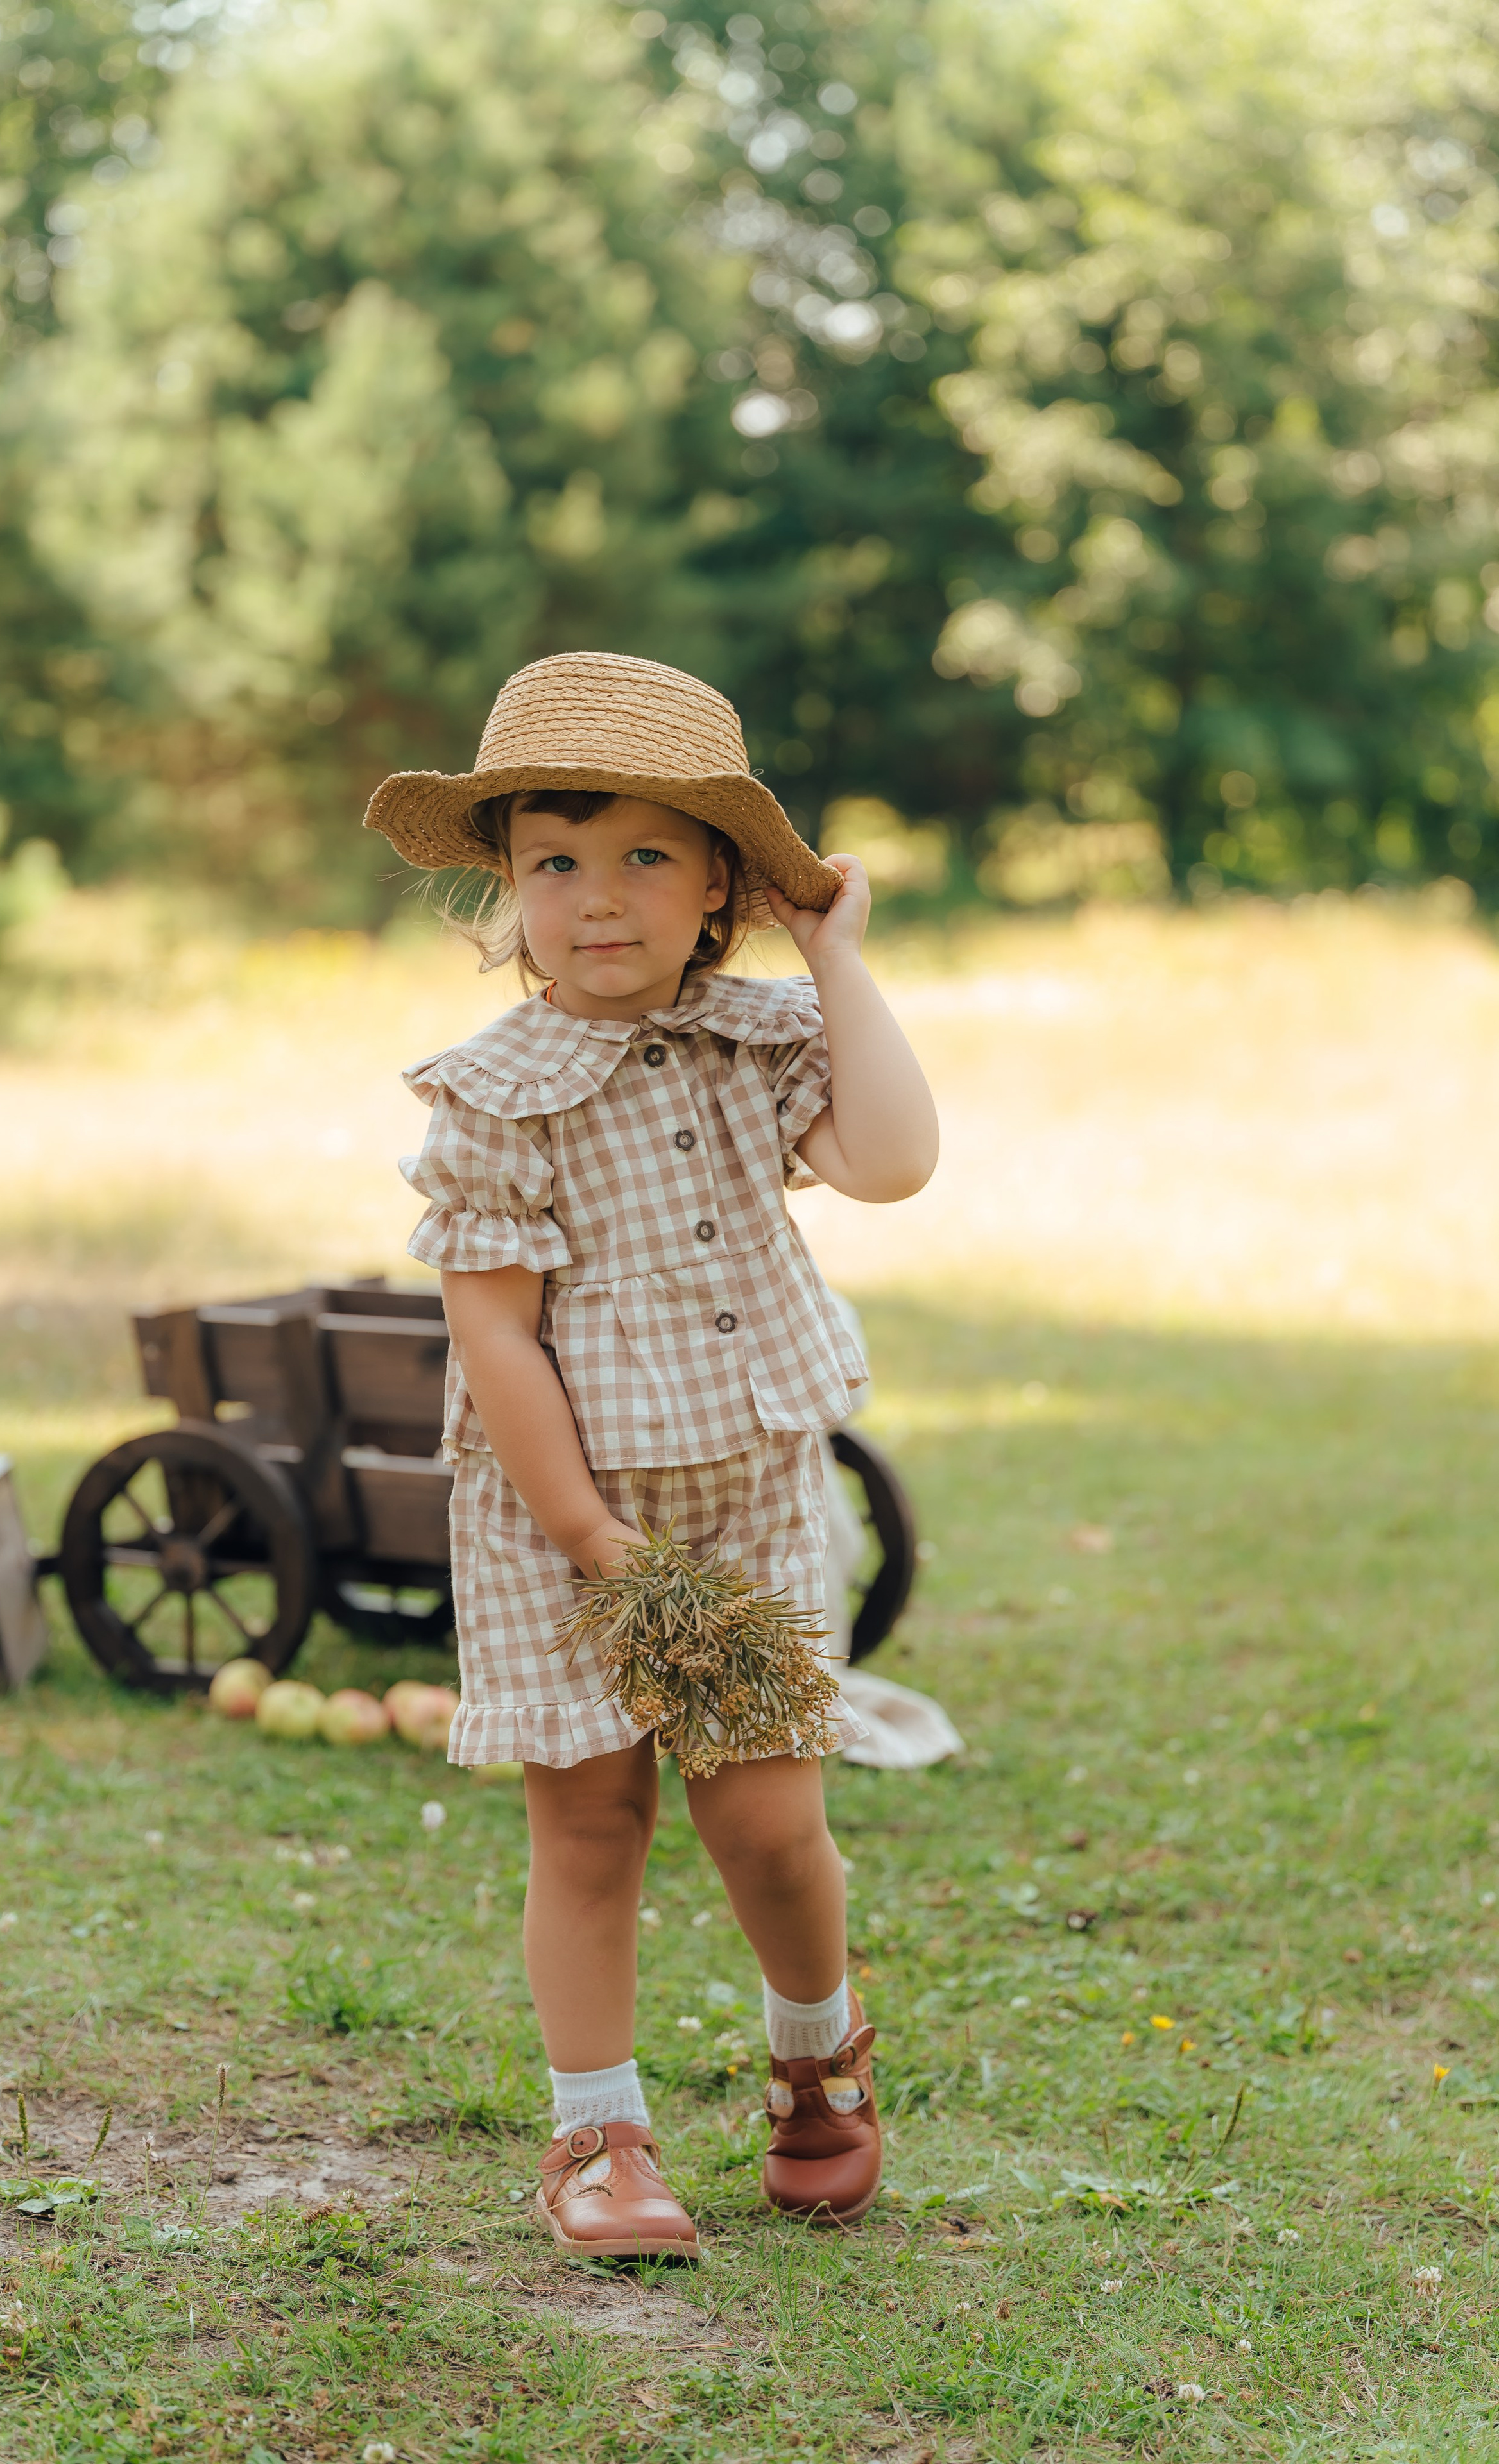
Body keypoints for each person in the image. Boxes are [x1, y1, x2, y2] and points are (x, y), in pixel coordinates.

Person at [366, 651, 938, 2256]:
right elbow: (495, 1338)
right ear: (507, 884)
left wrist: (834, 957)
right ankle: (597, 2135)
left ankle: (817, 2059)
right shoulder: (493, 1096)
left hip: (742, 1505)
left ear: (717, 889)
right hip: (559, 1522)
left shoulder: (759, 1044)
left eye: (641, 856)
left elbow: (893, 1160)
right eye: (554, 860)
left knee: (768, 1827)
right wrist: (585, 1533)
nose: (597, 898)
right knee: (589, 1824)